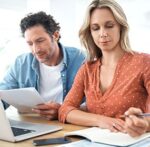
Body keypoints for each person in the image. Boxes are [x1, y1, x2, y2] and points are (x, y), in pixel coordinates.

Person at [59, 0, 150, 137]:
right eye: (96, 28)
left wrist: (145, 123)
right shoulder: (87, 69)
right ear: (90, 32)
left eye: (109, 26)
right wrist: (101, 120)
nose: (103, 33)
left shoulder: (144, 63)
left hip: (132, 142)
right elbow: (65, 110)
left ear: (120, 27)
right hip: (93, 142)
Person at [0, 11, 85, 120]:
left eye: (40, 41)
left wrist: (62, 110)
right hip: (31, 122)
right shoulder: (21, 63)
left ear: (55, 35)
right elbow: (3, 96)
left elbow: (93, 103)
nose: (35, 50)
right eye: (30, 44)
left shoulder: (80, 60)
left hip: (68, 123)